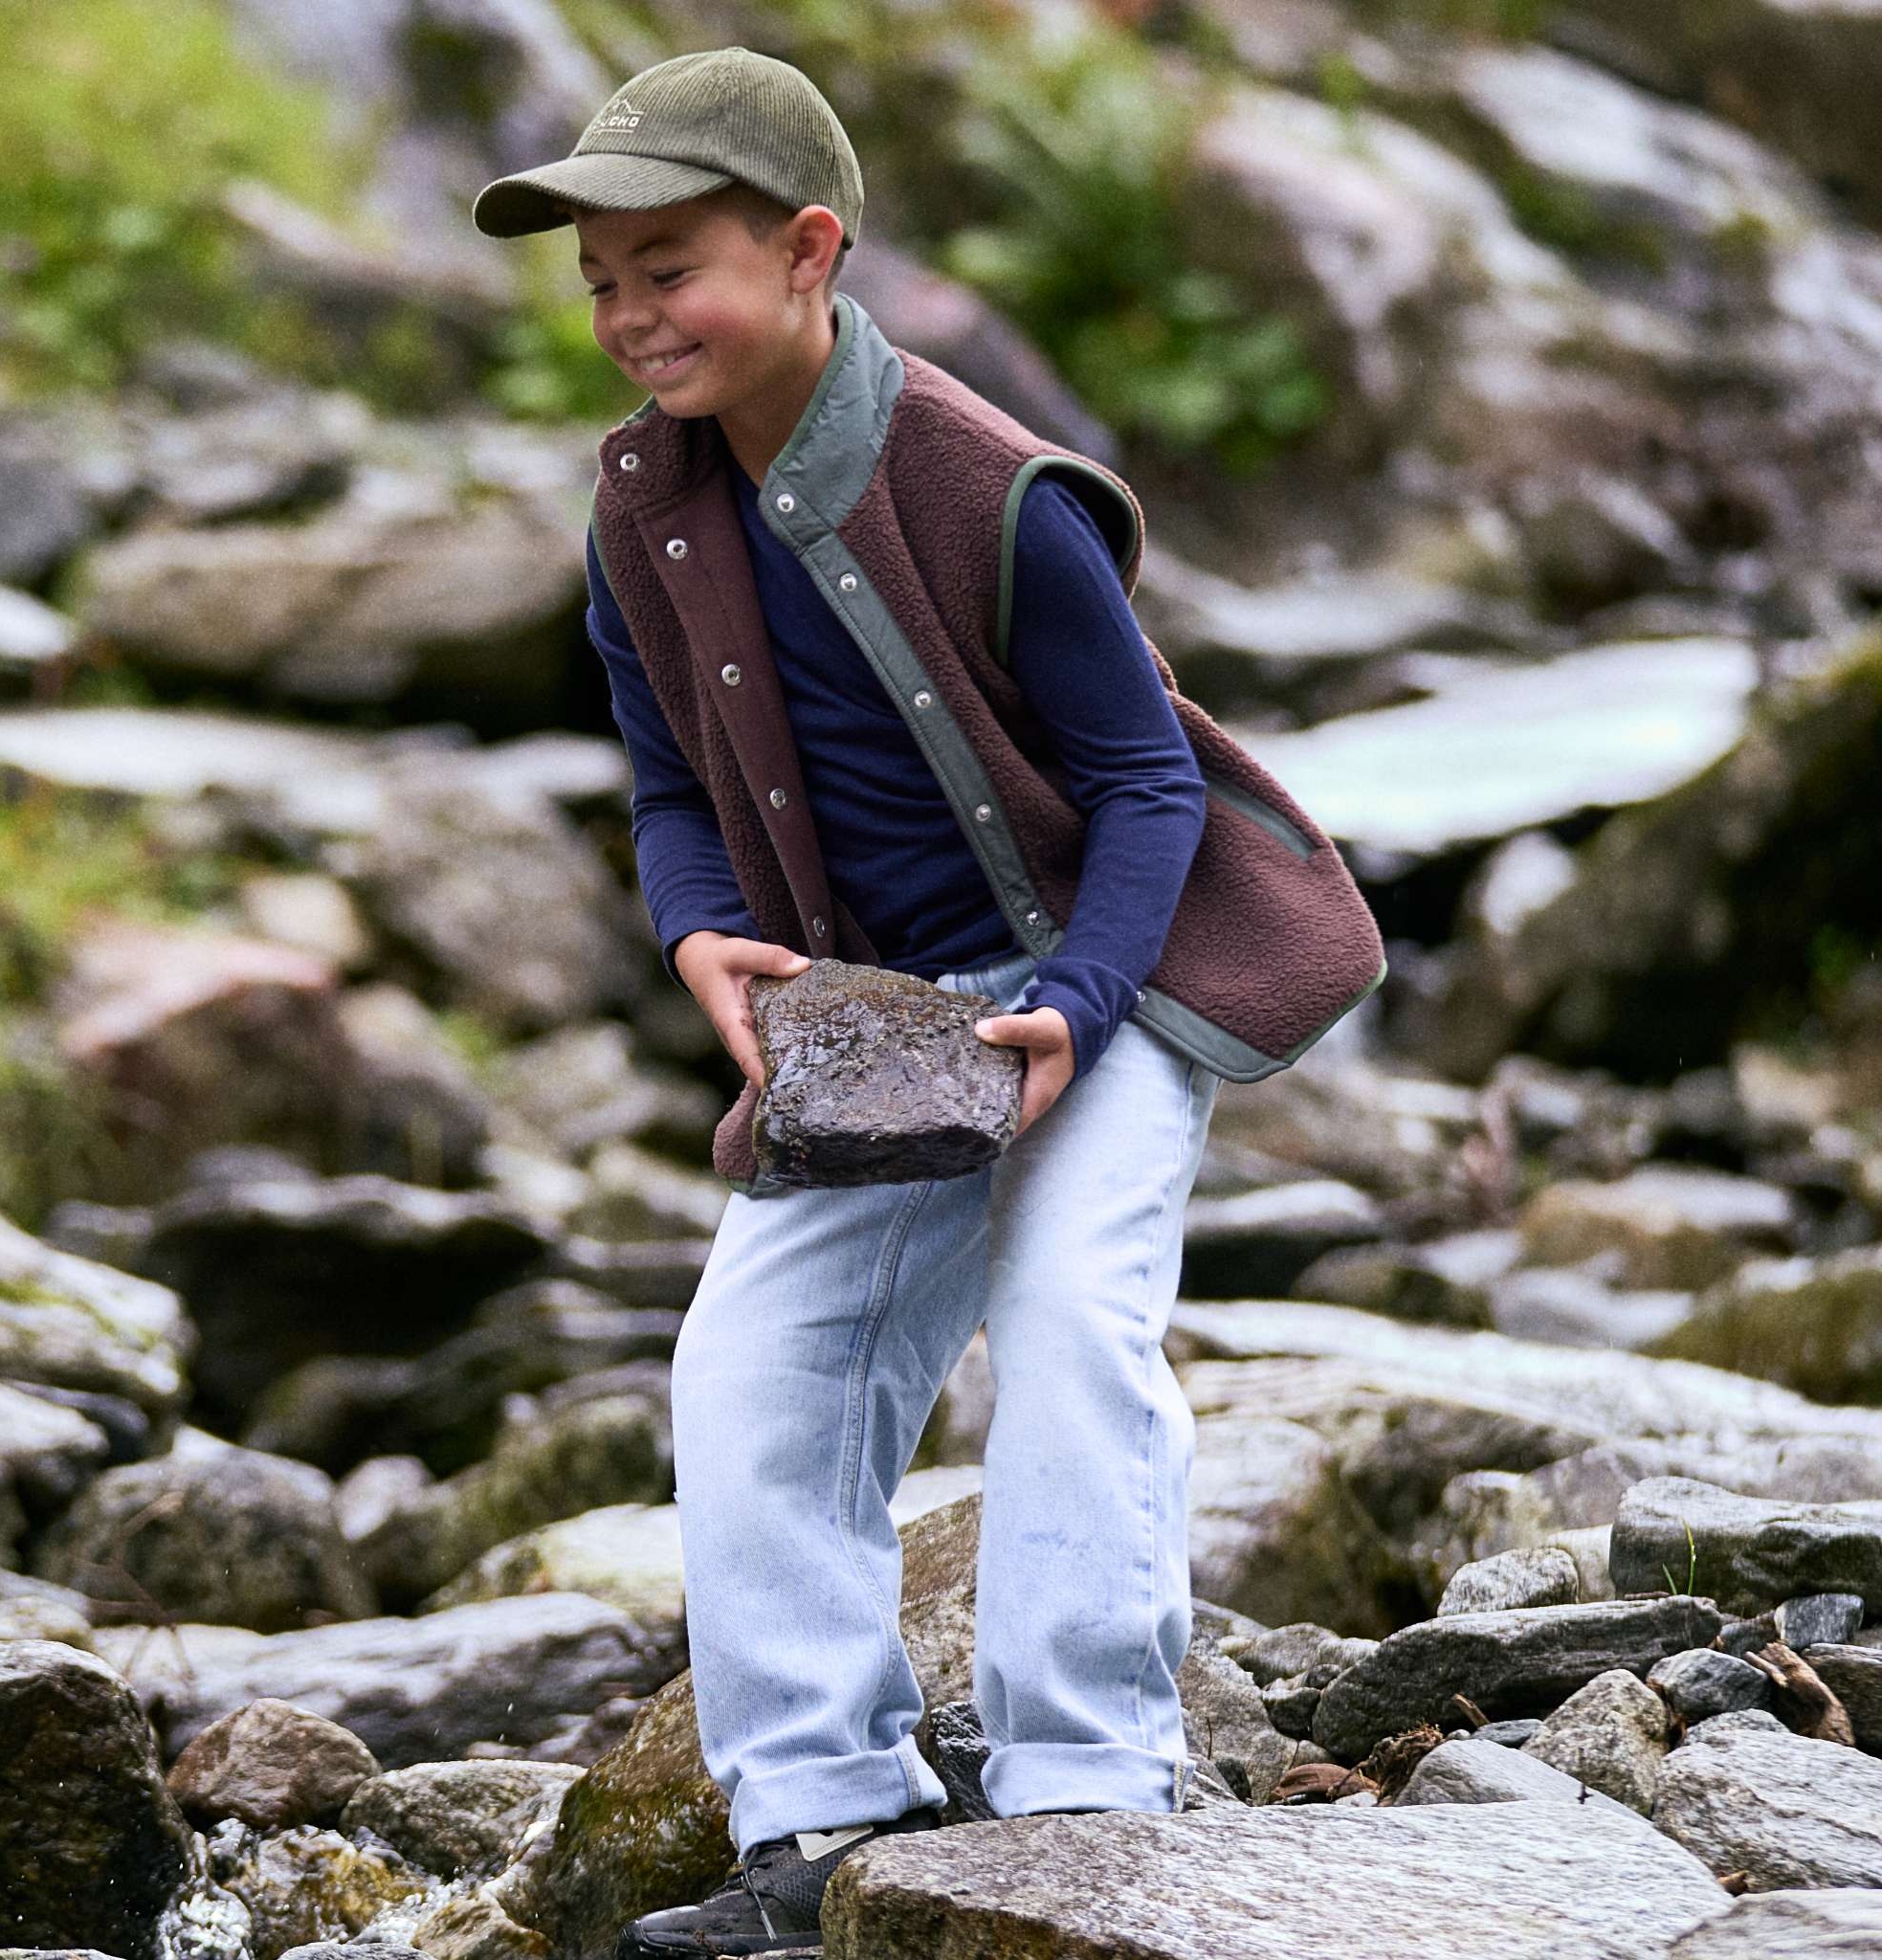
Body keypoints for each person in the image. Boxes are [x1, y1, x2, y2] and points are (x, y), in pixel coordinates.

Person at [473, 45, 1383, 1959]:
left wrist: (1078, 1000)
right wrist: (697, 928)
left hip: (1097, 984)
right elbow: (659, 778)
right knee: (748, 1374)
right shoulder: (637, 511)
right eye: (601, 280)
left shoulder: (985, 484)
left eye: (671, 264)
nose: (632, 315)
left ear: (809, 251)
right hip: (872, 1019)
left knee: (1066, 1333)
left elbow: (1145, 784)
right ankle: (817, 1816)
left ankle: (1081, 1804)